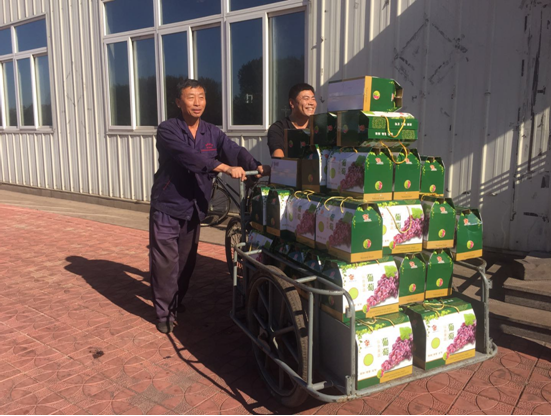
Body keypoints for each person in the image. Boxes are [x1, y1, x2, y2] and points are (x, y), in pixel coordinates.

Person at [149, 78, 269, 334]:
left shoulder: (211, 132)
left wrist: (254, 165)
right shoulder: (168, 129)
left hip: (194, 207)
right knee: (165, 263)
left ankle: (175, 301)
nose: (197, 103)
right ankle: (164, 313)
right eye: (191, 97)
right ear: (178, 102)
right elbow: (188, 156)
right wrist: (223, 167)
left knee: (186, 262)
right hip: (168, 205)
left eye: (201, 97)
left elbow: (233, 150)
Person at [267, 83, 317, 157]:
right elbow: (278, 157)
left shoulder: (319, 126)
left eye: (313, 99)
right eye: (306, 98)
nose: (311, 103)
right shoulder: (278, 128)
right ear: (292, 103)